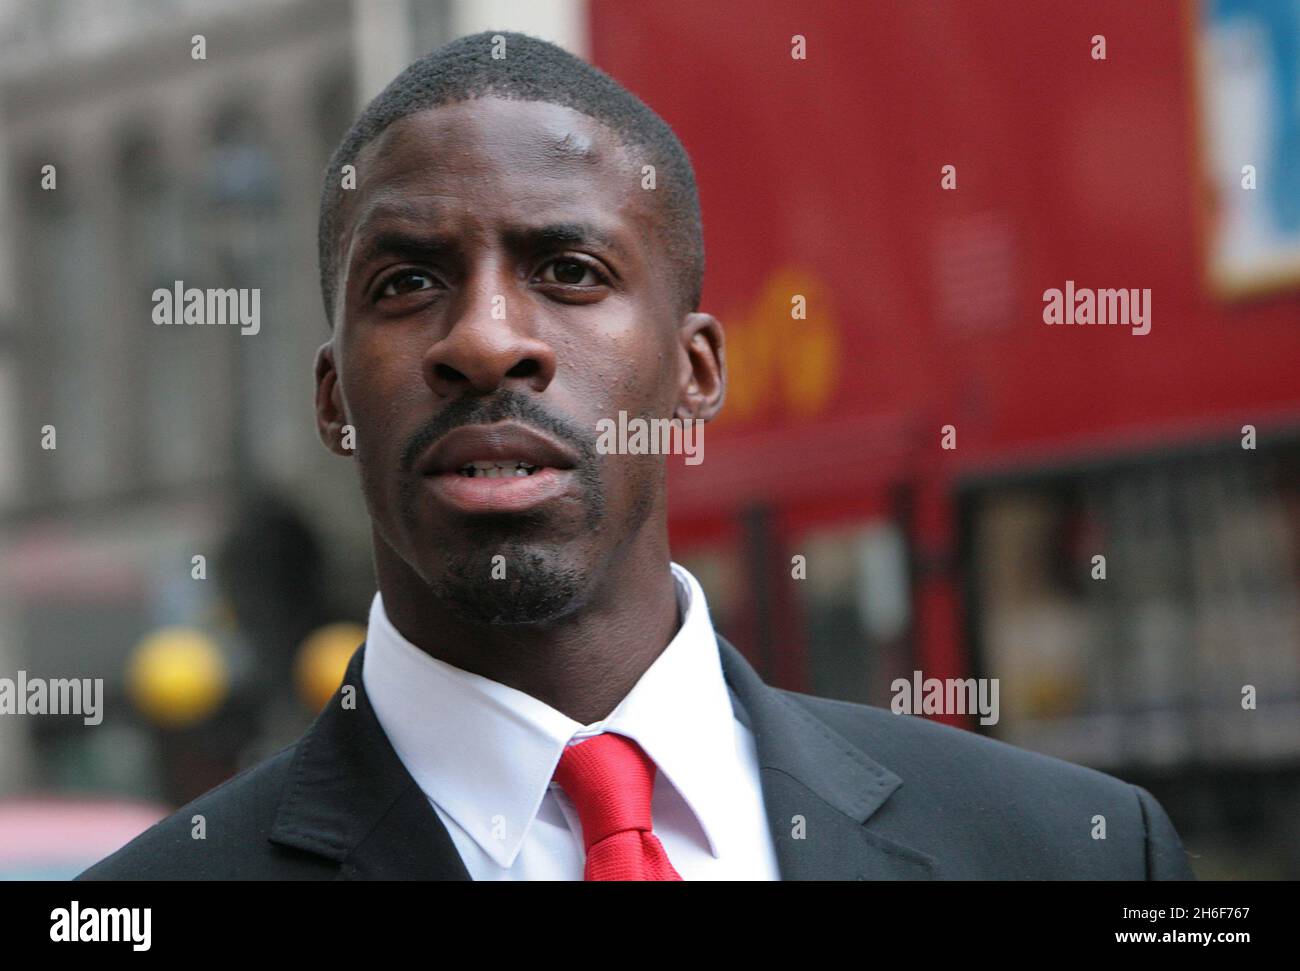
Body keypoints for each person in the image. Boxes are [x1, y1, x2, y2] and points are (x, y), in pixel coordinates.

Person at [79, 30, 1195, 881]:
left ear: (695, 372)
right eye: (407, 282)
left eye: (568, 270)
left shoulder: (1072, 851)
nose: (486, 339)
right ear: (333, 397)